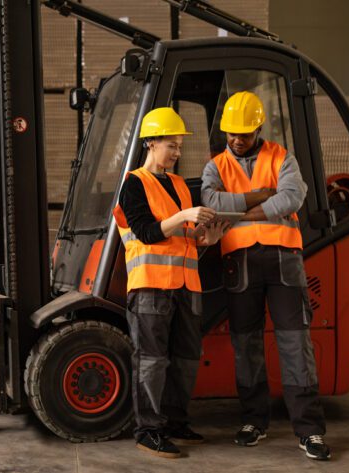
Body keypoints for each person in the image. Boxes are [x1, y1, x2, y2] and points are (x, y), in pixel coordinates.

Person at [201, 91, 331, 461]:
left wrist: (240, 210)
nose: (237, 140)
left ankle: (309, 430)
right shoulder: (215, 166)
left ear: (259, 127)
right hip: (239, 263)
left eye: (244, 133)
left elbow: (292, 197)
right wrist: (260, 197)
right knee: (247, 344)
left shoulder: (281, 156)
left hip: (283, 262)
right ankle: (254, 421)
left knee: (295, 343)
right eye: (232, 134)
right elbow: (211, 203)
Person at [114, 107, 225, 459]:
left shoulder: (178, 184)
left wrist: (204, 239)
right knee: (151, 361)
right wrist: (184, 216)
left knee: (187, 358)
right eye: (171, 145)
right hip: (151, 288)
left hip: (186, 286)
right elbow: (147, 232)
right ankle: (149, 430)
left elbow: (183, 237)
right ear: (150, 143)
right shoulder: (134, 183)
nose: (177, 153)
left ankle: (175, 422)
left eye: (179, 146)